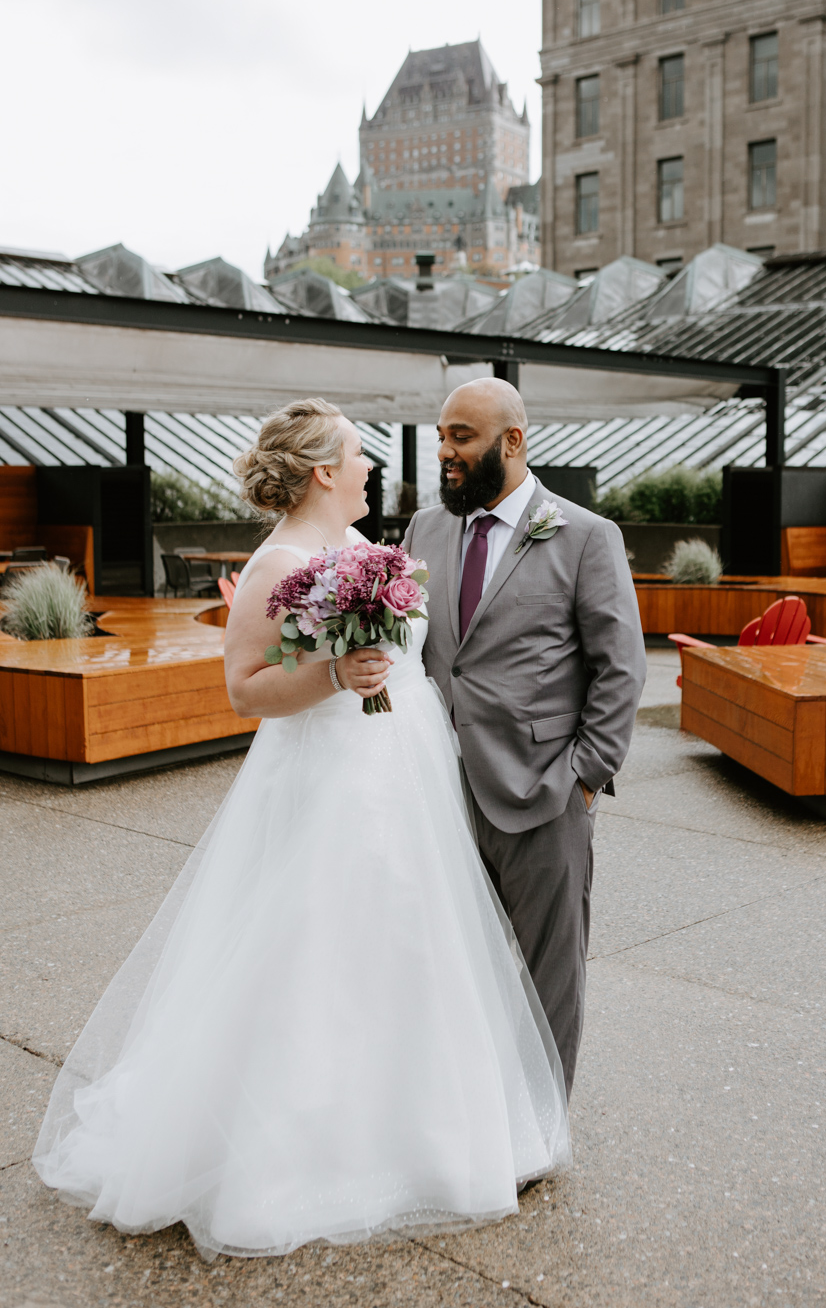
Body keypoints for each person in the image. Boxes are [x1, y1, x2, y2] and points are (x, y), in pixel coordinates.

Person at [33, 397, 570, 1261]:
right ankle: (300, 1146)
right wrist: (333, 676)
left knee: (409, 941)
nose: (370, 469)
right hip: (328, 781)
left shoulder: (362, 550)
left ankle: (416, 1121)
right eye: (359, 456)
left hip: (404, 773)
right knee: (318, 946)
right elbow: (246, 690)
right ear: (325, 471)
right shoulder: (276, 561)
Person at [404, 378, 646, 1098]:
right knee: (450, 966)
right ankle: (468, 1115)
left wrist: (584, 776)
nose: (444, 451)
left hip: (544, 793)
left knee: (549, 976)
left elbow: (619, 665)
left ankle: (539, 1130)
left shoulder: (584, 535)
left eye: (461, 437)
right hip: (438, 791)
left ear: (512, 442)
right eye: (441, 435)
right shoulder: (424, 529)